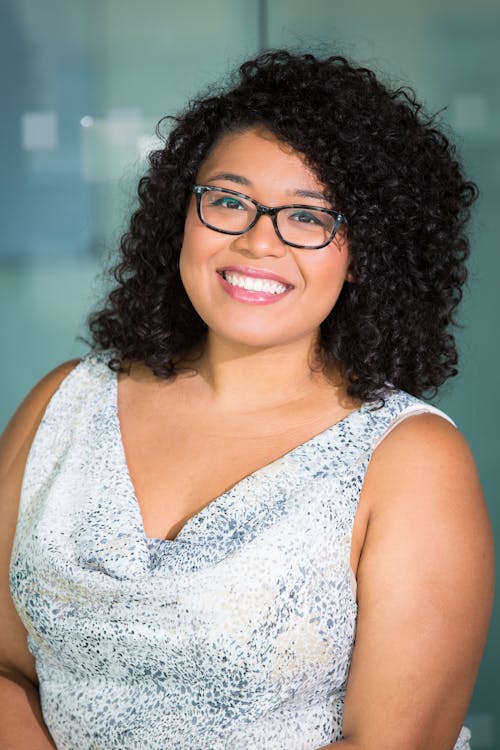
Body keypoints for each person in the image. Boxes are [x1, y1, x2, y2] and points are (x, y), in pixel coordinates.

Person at [0, 50, 494, 750]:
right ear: (183, 214)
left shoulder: (410, 460)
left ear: (364, 253)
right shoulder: (64, 405)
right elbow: (4, 669)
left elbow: (392, 743)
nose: (258, 241)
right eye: (229, 201)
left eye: (308, 216)